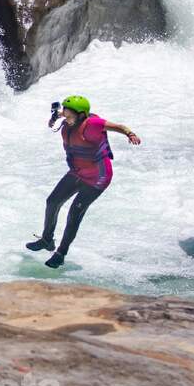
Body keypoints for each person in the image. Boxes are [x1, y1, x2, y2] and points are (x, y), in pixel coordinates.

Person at [26, 95, 141, 269]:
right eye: (64, 112)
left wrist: (130, 134)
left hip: (97, 178)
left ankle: (61, 254)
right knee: (52, 201)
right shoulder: (70, 118)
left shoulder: (93, 124)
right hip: (77, 172)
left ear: (80, 115)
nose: (65, 115)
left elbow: (119, 126)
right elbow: (60, 114)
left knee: (74, 213)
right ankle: (47, 240)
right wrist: (54, 117)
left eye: (68, 113)